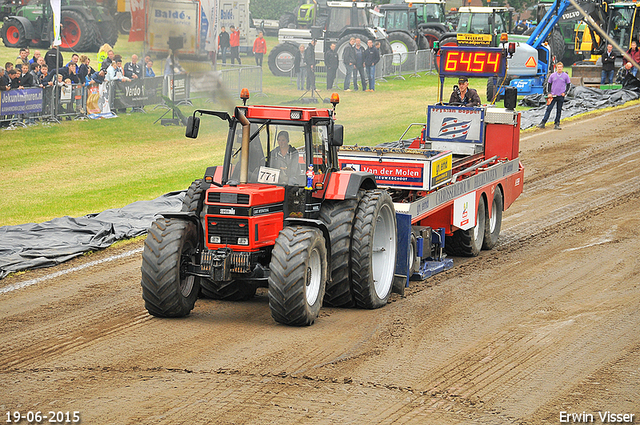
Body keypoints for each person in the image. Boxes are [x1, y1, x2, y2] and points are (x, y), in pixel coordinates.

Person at [538, 61, 571, 130]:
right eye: (558, 67)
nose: (559, 68)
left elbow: (568, 85)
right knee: (549, 109)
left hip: (560, 96)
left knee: (559, 110)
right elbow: (549, 84)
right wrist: (549, 93)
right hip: (553, 96)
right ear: (556, 68)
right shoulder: (552, 75)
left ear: (562, 68)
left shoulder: (565, 76)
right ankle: (543, 122)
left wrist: (565, 93)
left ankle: (557, 124)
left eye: (560, 67)